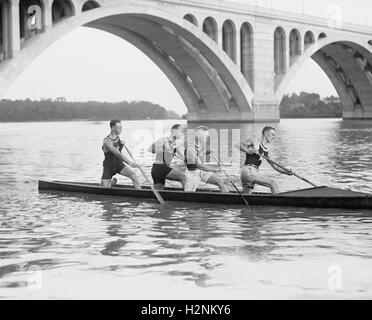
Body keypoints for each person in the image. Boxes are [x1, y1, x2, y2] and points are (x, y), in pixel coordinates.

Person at [237, 126, 293, 194]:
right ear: (266, 133)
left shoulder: (265, 152)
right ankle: (279, 202)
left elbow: (275, 167)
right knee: (272, 183)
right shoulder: (255, 141)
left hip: (250, 173)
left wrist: (287, 172)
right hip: (249, 171)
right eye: (272, 134)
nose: (274, 137)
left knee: (247, 197)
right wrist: (248, 151)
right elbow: (238, 144)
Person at [184, 126, 228, 192]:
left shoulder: (198, 145)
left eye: (207, 136)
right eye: (205, 136)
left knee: (220, 182)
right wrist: (216, 169)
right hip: (191, 174)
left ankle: (226, 200)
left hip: (199, 172)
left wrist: (205, 152)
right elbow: (199, 166)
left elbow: (198, 154)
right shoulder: (191, 148)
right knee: (189, 194)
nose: (207, 138)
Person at [101, 119, 141, 189]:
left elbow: (119, 151)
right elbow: (118, 154)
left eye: (121, 128)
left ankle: (141, 194)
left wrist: (121, 144)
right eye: (119, 128)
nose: (121, 130)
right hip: (108, 167)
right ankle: (112, 183)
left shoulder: (117, 138)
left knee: (133, 175)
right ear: (113, 128)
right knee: (104, 189)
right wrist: (130, 163)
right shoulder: (107, 142)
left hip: (119, 164)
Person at [148, 124, 186, 189]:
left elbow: (184, 158)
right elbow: (150, 149)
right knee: (184, 178)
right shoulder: (163, 140)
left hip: (158, 170)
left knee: (159, 192)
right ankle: (188, 197)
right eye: (181, 131)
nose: (183, 134)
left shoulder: (174, 144)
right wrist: (163, 149)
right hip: (160, 167)